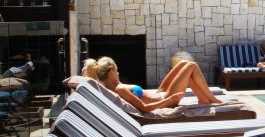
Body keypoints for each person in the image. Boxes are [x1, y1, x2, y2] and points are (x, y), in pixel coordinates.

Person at [83, 55, 224, 112]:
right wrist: (170, 99)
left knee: (183, 63)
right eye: (117, 70)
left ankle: (203, 99)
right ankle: (212, 100)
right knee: (191, 66)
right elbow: (144, 108)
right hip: (166, 99)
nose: (119, 72)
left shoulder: (112, 88)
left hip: (159, 94)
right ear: (112, 72)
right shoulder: (119, 89)